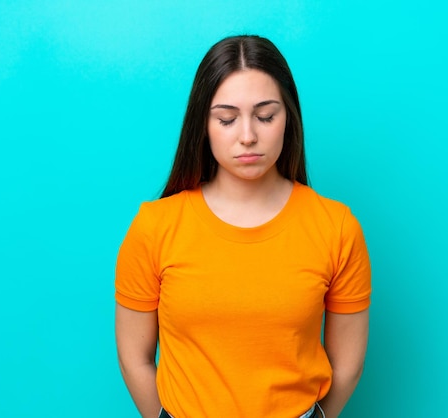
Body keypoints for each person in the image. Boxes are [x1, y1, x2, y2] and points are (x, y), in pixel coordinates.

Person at [115, 35, 371, 418]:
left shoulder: (336, 228)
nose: (248, 135)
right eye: (227, 118)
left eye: (266, 116)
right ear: (202, 123)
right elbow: (135, 358)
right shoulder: (155, 227)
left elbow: (347, 366)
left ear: (290, 118)